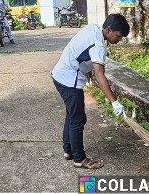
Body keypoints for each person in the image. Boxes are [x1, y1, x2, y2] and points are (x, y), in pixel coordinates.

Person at [51, 14, 129, 169]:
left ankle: (68, 150)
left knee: (72, 115)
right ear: (108, 30)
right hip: (69, 80)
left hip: (60, 74)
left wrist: (85, 68)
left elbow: (81, 51)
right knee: (78, 119)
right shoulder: (99, 46)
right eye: (118, 36)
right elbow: (100, 76)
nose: (119, 40)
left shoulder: (93, 27)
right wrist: (115, 102)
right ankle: (79, 159)